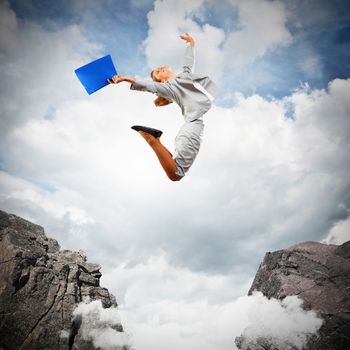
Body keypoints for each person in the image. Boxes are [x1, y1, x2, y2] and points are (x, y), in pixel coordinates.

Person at [108, 33, 217, 181]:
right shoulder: (169, 88)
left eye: (159, 68)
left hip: (192, 125)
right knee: (175, 174)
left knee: (174, 167)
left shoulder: (184, 75)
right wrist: (127, 79)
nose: (159, 69)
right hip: (193, 124)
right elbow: (150, 86)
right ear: (162, 81)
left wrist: (191, 43)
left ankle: (154, 140)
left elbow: (188, 61)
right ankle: (152, 140)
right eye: (158, 73)